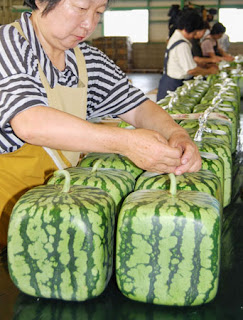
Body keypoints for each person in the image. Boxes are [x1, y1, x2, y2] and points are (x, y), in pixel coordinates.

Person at [0, 0, 201, 250]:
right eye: (81, 8)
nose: (89, 24)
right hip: (7, 211)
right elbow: (29, 122)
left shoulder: (87, 61)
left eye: (99, 12)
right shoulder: (8, 45)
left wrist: (177, 134)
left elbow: (138, 106)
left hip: (59, 208)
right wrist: (125, 142)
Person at [157, 10, 218, 101]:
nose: (195, 35)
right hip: (174, 86)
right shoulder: (182, 45)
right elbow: (191, 70)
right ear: (189, 29)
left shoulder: (176, 37)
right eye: (195, 32)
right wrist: (210, 71)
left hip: (169, 82)